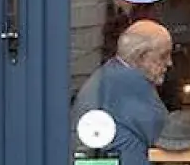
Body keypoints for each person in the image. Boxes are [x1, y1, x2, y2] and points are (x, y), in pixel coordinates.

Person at [72, 20, 174, 165]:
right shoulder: (130, 83)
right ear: (142, 57)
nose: (169, 62)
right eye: (163, 55)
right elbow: (167, 133)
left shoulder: (110, 75)